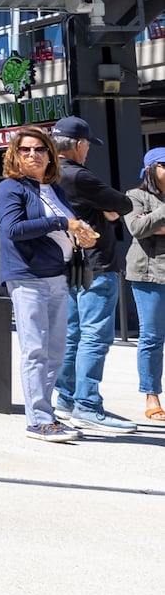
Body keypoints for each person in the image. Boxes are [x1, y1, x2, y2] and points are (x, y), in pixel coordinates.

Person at [0, 125, 97, 443]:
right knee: (35, 350)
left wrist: (80, 234)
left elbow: (61, 228)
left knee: (54, 352)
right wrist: (62, 222)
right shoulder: (10, 189)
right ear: (15, 154)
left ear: (51, 156)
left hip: (57, 277)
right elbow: (14, 229)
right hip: (27, 278)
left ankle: (48, 414)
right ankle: (37, 419)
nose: (32, 154)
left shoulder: (55, 190)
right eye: (24, 149)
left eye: (39, 149)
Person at [51, 116, 136, 434]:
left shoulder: (48, 174)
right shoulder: (78, 175)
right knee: (94, 338)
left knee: (72, 335)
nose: (88, 151)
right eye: (87, 145)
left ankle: (68, 400)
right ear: (77, 145)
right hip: (96, 266)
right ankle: (88, 405)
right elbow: (123, 203)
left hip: (68, 265)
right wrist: (107, 209)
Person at [124, 147, 165, 423]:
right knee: (152, 338)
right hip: (149, 275)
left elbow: (149, 226)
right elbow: (137, 229)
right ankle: (151, 396)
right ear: (151, 169)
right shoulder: (134, 196)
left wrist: (155, 223)